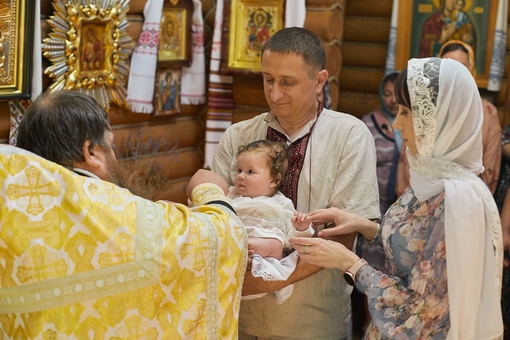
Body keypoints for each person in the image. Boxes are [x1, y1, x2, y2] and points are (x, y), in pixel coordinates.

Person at [290, 57, 504, 339]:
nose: (398, 123)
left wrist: (349, 263)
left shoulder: (459, 201)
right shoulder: (430, 177)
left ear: (439, 121)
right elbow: (416, 247)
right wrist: (363, 226)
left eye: (407, 112)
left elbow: (427, 314)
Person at [8, 90, 248, 338]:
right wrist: (208, 191)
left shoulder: (11, 212)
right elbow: (222, 236)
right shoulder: (119, 216)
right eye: (111, 145)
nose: (114, 154)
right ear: (90, 152)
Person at [212, 27, 380, 340]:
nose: (274, 94)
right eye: (267, 79)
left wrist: (264, 282)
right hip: (238, 318)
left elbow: (341, 238)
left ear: (320, 80)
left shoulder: (349, 136)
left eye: (287, 82)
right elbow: (214, 217)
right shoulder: (238, 136)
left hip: (311, 320)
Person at [397, 40, 502, 196]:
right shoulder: (425, 107)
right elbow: (411, 155)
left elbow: (489, 163)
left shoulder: (488, 111)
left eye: (462, 66)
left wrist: (480, 193)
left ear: (471, 69)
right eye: (449, 66)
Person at [225, 139, 314, 303]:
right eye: (239, 170)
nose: (241, 176)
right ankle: (240, 249)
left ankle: (246, 249)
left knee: (277, 244)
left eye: (250, 171)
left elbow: (294, 238)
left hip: (266, 254)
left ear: (274, 180)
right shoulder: (232, 195)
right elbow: (214, 208)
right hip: (237, 240)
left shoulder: (282, 203)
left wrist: (302, 227)